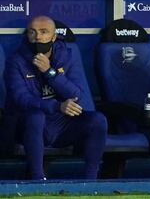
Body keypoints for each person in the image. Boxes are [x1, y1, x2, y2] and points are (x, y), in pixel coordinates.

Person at [3, 16, 107, 180]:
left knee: (98, 120)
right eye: (32, 32)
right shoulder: (16, 60)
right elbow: (21, 99)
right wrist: (56, 106)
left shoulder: (68, 56)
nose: (37, 37)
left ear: (53, 36)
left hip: (61, 124)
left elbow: (77, 94)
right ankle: (38, 180)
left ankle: (91, 181)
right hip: (29, 125)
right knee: (36, 116)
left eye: (44, 32)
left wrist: (49, 72)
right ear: (27, 35)